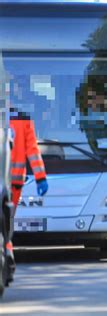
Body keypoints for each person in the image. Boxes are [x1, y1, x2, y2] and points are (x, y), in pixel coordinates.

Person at [6, 106, 48, 283]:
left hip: (11, 182)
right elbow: (32, 149)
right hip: (13, 184)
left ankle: (6, 253)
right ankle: (6, 252)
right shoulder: (22, 117)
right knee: (6, 223)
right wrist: (40, 178)